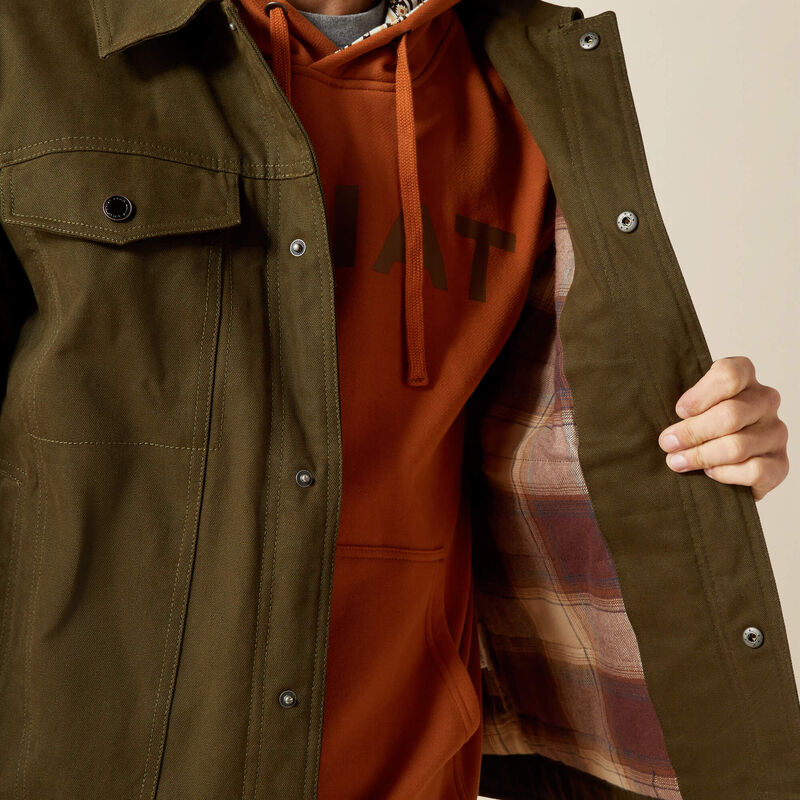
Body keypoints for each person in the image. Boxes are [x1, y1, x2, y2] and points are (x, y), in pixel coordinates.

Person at [0, 0, 794, 798]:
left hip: (411, 773)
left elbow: (549, 441)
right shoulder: (36, 43)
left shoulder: (528, 74)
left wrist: (701, 452)